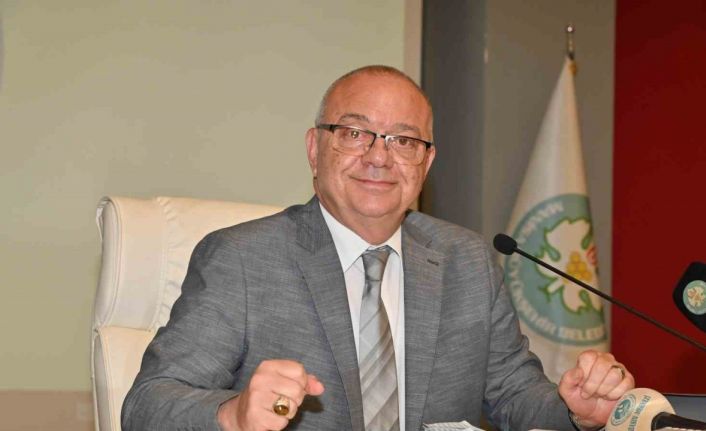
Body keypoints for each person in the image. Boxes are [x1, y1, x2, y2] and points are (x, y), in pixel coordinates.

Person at [121, 65, 634, 431]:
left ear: (426, 163)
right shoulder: (241, 259)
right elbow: (147, 405)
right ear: (314, 149)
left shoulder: (468, 261)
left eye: (404, 141)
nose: (379, 158)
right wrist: (232, 416)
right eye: (355, 133)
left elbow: (514, 394)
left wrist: (576, 412)